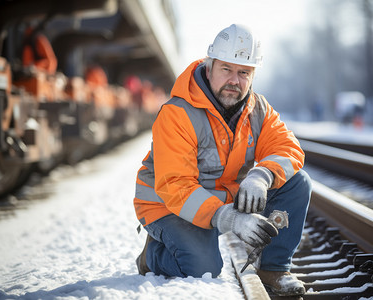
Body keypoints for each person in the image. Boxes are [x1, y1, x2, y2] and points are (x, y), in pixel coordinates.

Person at [133, 24, 311, 296]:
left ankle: (274, 268)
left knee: (297, 181)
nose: (234, 81)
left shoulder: (258, 109)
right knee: (204, 267)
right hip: (167, 206)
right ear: (209, 66)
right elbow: (176, 185)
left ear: (253, 75)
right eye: (226, 69)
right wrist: (228, 218)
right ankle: (152, 256)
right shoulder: (177, 114)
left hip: (218, 198)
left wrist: (261, 176)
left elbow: (287, 147)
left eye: (244, 73)